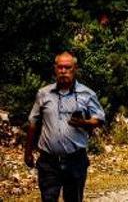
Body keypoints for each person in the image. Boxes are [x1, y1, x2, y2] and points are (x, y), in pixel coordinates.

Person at [25, 51, 106, 202]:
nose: (63, 71)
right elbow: (32, 123)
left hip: (75, 160)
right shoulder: (43, 93)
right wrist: (28, 152)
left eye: (67, 67)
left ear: (75, 69)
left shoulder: (87, 94)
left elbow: (100, 118)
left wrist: (85, 123)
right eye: (60, 67)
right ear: (55, 69)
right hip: (48, 161)